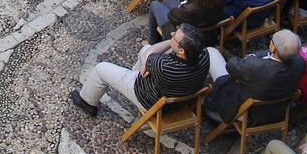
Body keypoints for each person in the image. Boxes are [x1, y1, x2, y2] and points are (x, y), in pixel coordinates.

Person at [68, 24, 208, 120]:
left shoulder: (164, 66)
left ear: (182, 51)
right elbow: (149, 54)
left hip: (148, 98)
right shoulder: (204, 55)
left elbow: (152, 52)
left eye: (174, 37)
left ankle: (87, 101)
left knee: (100, 69)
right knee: (144, 50)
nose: (171, 34)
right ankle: (135, 71)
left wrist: (147, 63)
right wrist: (170, 46)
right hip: (179, 100)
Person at [204, 29, 303, 127]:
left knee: (211, 52)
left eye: (271, 40)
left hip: (248, 113)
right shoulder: (300, 63)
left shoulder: (256, 68)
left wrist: (249, 58)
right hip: (277, 111)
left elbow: (231, 65)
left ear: (273, 48)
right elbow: (266, 53)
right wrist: (253, 57)